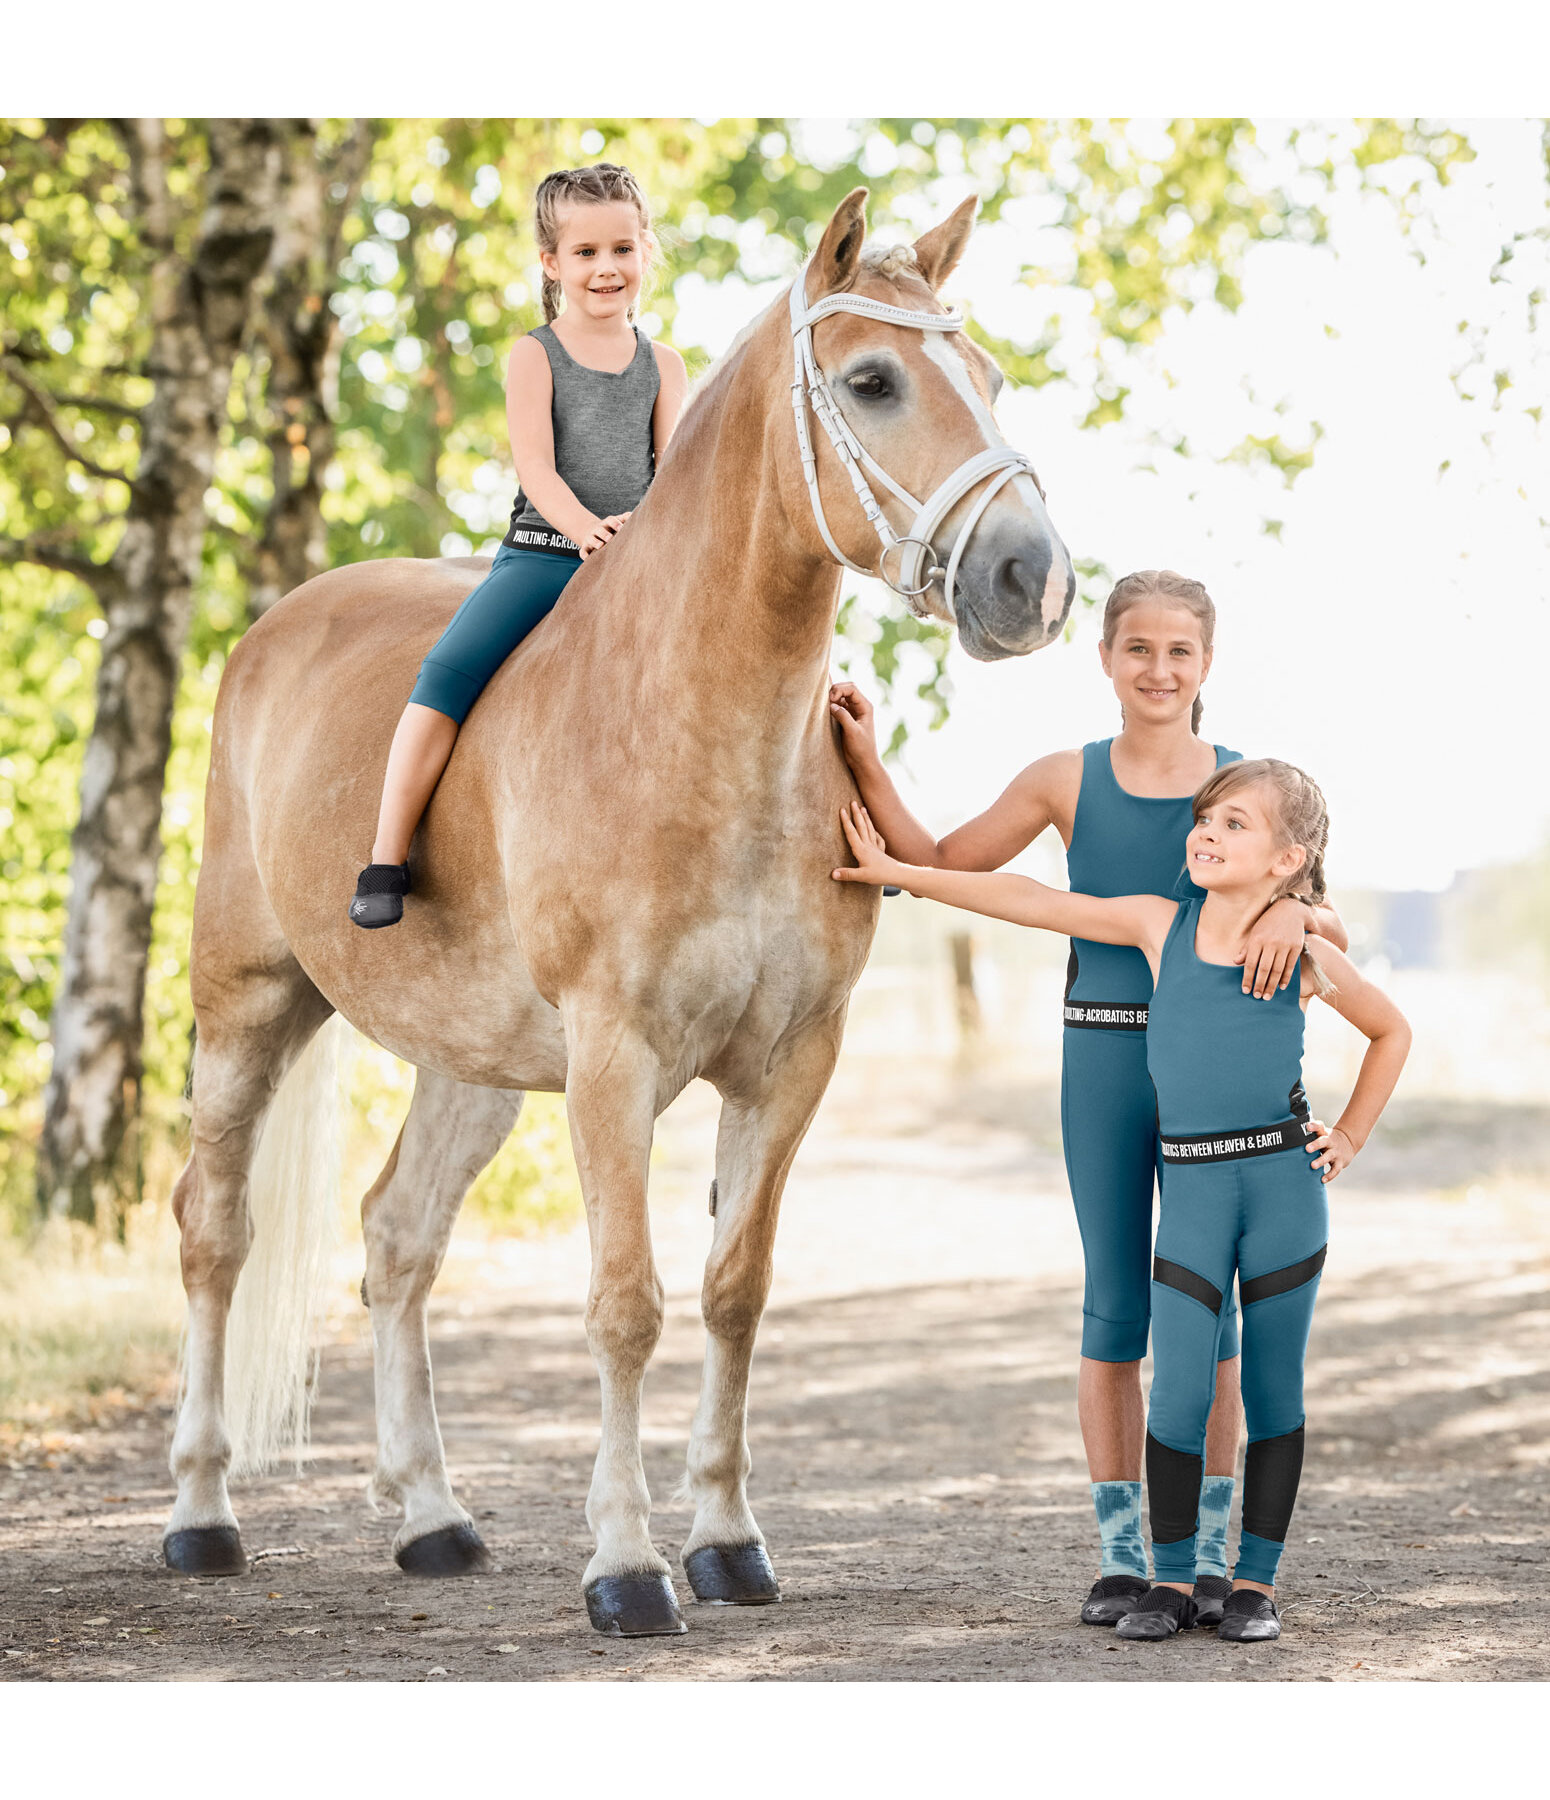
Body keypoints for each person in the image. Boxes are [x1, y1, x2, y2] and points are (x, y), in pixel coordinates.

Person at [828, 570, 1350, 1627]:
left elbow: (1317, 911)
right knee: (1116, 1308)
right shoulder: (1064, 777)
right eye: (1137, 649)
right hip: (1102, 1060)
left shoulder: (1244, 789)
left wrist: (1306, 922)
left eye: (1179, 653)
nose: (1158, 670)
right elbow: (943, 863)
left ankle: (1203, 1555)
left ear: (1206, 665)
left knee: (1209, 1329)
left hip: (1219, 1096)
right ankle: (1124, 1556)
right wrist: (869, 767)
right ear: (1104, 659)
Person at [350, 161, 688, 928]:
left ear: (644, 253)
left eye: (623, 250)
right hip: (543, 555)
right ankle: (385, 854)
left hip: (635, 567)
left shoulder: (665, 366)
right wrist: (587, 532)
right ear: (551, 263)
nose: (607, 269)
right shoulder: (535, 354)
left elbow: (674, 473)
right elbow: (535, 466)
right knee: (446, 674)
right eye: (586, 253)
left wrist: (643, 529)